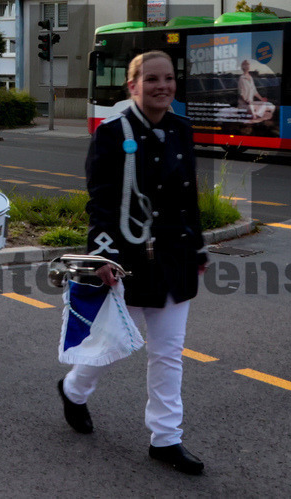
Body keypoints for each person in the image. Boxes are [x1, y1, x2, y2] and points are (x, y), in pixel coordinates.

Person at [56, 51, 207, 475]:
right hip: (131, 261)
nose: (163, 86)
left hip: (176, 258)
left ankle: (166, 438)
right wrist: (102, 256)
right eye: (152, 79)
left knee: (168, 353)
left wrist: (197, 248)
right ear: (133, 85)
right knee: (110, 344)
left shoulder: (182, 129)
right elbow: (101, 201)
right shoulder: (111, 133)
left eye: (169, 78)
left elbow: (188, 196)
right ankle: (73, 390)